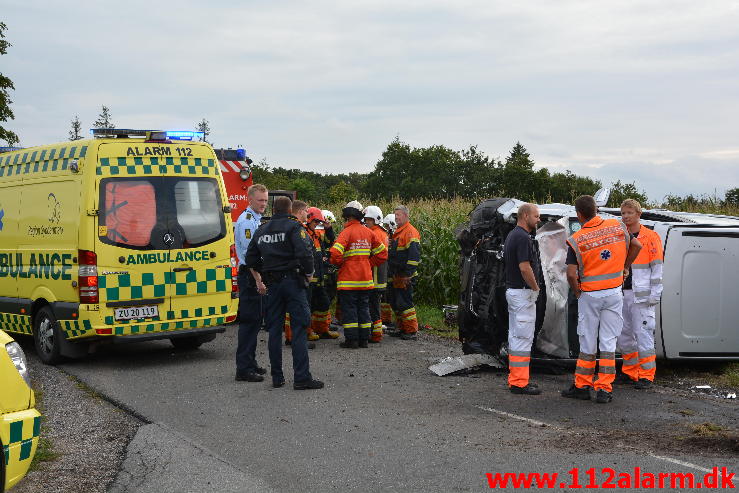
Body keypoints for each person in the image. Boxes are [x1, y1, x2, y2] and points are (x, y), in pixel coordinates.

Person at [562, 195, 642, 403]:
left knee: (587, 340)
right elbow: (637, 246)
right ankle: (604, 388)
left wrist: (577, 291)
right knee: (608, 341)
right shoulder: (617, 226)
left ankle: (582, 385)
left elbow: (571, 274)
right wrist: (625, 267)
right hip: (614, 292)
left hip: (590, 295)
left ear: (579, 215)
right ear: (596, 209)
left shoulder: (576, 239)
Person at [244, 196, 323, 390]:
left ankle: (277, 377)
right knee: (299, 328)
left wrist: (266, 272)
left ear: (273, 208)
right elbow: (305, 253)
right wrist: (308, 274)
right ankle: (302, 378)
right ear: (289, 210)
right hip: (293, 282)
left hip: (273, 285)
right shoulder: (294, 227)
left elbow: (250, 258)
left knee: (274, 331)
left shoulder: (261, 229)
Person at [616, 199, 663, 389]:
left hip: (642, 296)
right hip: (621, 293)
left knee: (643, 335)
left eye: (629, 213)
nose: (625, 216)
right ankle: (630, 371)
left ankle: (646, 375)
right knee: (624, 335)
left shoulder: (650, 237)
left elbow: (657, 268)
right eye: (623, 213)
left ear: (638, 214)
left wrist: (655, 294)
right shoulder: (620, 236)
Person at [330, 200, 388, 349]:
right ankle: (364, 340)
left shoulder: (346, 232)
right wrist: (368, 263)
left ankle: (352, 341)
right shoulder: (369, 232)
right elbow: (383, 254)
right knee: (364, 310)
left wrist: (341, 263)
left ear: (348, 218)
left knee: (350, 311)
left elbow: (335, 253)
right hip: (366, 280)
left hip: (348, 281)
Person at [503, 203, 542, 395]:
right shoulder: (523, 238)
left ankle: (516, 378)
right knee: (523, 338)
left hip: (514, 292)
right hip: (522, 293)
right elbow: (525, 268)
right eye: (536, 216)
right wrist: (535, 288)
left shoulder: (513, 235)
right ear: (525, 216)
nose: (538, 220)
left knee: (516, 336)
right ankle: (519, 382)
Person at [234, 184, 269, 382]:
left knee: (256, 321)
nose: (264, 204)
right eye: (260, 200)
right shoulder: (247, 222)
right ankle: (244, 368)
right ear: (250, 200)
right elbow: (250, 257)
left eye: (265, 200)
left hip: (253, 275)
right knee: (249, 323)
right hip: (250, 276)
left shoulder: (255, 219)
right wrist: (258, 281)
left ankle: (251, 362)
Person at [281, 200, 318, 346]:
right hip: (296, 275)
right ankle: (298, 339)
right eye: (306, 211)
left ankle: (292, 337)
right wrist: (309, 273)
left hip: (283, 276)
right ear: (300, 211)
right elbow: (305, 253)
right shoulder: (297, 228)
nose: (308, 214)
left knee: (291, 309)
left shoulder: (283, 226)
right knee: (300, 309)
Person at [387, 205, 421, 340]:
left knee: (405, 304)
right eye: (395, 215)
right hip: (397, 274)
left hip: (405, 275)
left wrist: (408, 274)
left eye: (398, 215)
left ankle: (411, 331)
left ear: (406, 216)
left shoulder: (410, 232)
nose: (396, 217)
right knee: (396, 303)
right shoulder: (399, 232)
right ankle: (401, 328)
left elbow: (414, 256)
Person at [306, 207, 339, 339]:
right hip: (309, 278)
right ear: (309, 219)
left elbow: (330, 242)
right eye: (316, 222)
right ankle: (307, 332)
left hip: (318, 277)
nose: (317, 225)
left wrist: (328, 228)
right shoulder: (305, 234)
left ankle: (322, 330)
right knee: (307, 306)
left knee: (324, 303)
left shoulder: (314, 234)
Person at [363, 205, 389, 343]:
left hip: (374, 277)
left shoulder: (375, 233)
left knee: (372, 307)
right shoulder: (382, 232)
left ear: (375, 220)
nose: (366, 222)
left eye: (368, 220)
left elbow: (378, 255)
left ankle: (375, 334)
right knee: (375, 306)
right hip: (379, 277)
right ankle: (376, 333)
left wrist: (366, 264)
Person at [380, 213, 397, 329]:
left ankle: (388, 319)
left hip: (392, 272)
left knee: (390, 297)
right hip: (387, 272)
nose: (385, 228)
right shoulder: (388, 238)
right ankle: (385, 319)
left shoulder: (396, 239)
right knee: (385, 297)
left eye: (387, 226)